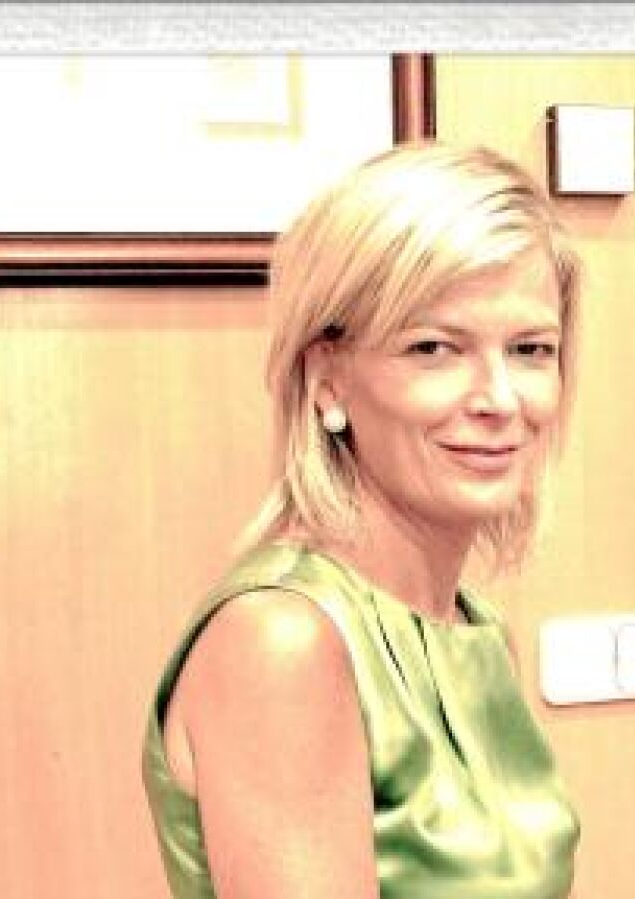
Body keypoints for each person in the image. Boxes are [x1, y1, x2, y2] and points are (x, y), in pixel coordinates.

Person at [141, 142, 583, 898]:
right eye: (434, 348)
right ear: (328, 379)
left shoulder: (473, 628)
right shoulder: (282, 641)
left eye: (530, 349)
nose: (501, 399)